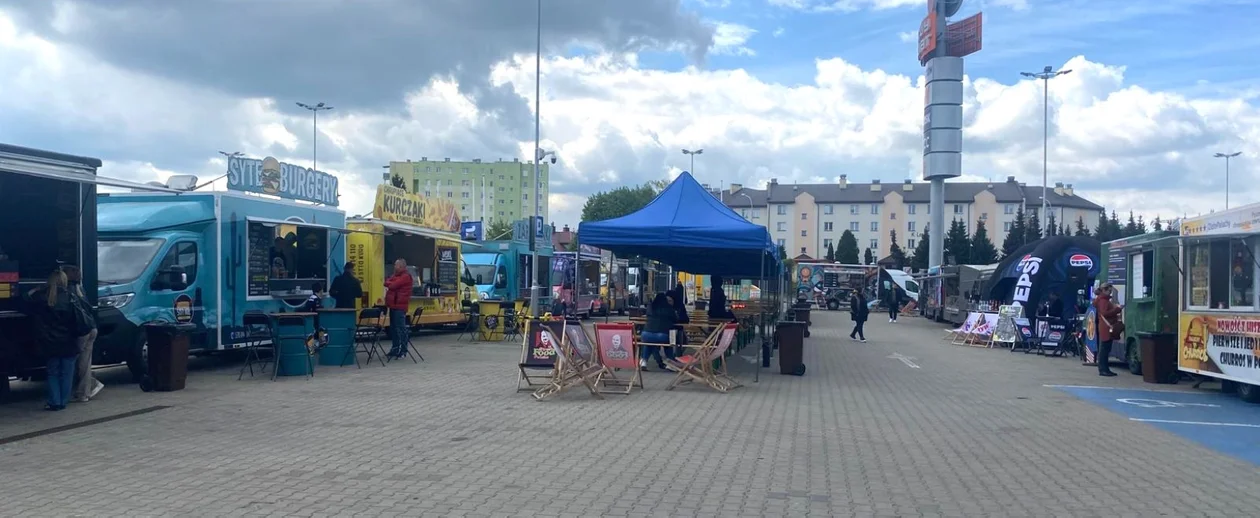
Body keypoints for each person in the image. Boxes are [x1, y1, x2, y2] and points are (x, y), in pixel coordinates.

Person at [26, 270, 82, 411]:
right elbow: (77, 321)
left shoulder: (42, 298)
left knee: (53, 373)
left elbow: (25, 299)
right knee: (67, 373)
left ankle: (54, 401)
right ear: (64, 281)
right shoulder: (71, 297)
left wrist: (34, 290)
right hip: (68, 341)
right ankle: (63, 401)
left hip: (50, 342)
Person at [63, 266, 103, 403]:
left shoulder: (67, 290)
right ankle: (84, 392)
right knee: (85, 362)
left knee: (73, 361)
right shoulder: (80, 288)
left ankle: (83, 389)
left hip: (80, 330)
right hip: (90, 327)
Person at [383, 259, 413, 359]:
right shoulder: (395, 275)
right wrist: (390, 282)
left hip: (400, 306)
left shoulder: (406, 276)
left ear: (401, 266)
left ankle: (403, 350)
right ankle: (395, 349)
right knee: (393, 328)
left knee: (401, 328)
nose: (394, 266)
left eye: (396, 265)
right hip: (393, 305)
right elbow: (386, 282)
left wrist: (391, 283)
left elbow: (393, 285)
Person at [639, 293, 677, 371]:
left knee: (648, 342)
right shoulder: (669, 308)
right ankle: (670, 362)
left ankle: (643, 361)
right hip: (662, 334)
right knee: (668, 343)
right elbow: (675, 319)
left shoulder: (651, 307)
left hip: (646, 334)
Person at [1093, 283, 1123, 377]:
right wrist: (1117, 309)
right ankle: (1103, 369)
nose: (1110, 293)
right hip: (1107, 327)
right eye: (1109, 291)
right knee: (1105, 349)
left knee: (1104, 349)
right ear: (1104, 290)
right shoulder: (1103, 301)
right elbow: (1105, 313)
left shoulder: (1101, 300)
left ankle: (1104, 369)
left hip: (1104, 326)